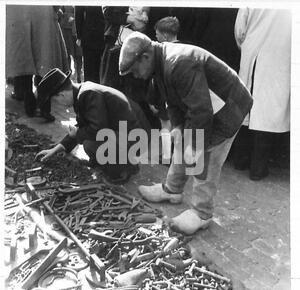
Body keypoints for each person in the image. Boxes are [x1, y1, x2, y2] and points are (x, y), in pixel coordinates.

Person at [119, 32, 253, 235]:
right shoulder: (161, 63)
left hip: (227, 107)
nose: (135, 75)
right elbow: (171, 100)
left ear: (145, 57)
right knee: (185, 142)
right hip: (206, 106)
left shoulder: (178, 62)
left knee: (205, 153)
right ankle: (172, 190)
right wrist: (179, 127)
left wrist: (195, 147)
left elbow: (201, 112)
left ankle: (202, 213)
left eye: (134, 70)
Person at [35, 68, 151, 183]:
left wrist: (78, 134)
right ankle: (110, 162)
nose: (60, 105)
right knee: (89, 143)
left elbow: (98, 129)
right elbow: (82, 126)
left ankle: (126, 168)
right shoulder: (82, 92)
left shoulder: (88, 94)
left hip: (137, 138)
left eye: (56, 101)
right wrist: (55, 150)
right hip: (127, 133)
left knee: (90, 143)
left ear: (62, 95)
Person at [233, 8, 291, 180]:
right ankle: (258, 169)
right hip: (279, 57)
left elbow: (239, 32)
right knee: (266, 114)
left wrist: (249, 44)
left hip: (252, 51)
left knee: (246, 108)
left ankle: (240, 161)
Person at [6, 5, 69, 121]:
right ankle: (44, 109)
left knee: (24, 66)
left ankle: (29, 107)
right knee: (45, 67)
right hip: (43, 24)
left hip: (21, 23)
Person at [75, 6, 105, 83]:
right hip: (90, 36)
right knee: (90, 71)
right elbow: (78, 14)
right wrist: (79, 36)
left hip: (107, 36)